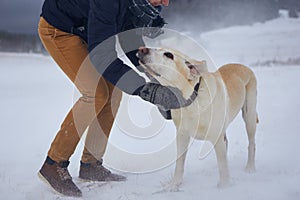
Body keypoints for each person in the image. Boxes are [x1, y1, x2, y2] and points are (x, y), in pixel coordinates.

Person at [38, 0, 192, 197]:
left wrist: (155, 79)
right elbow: (102, 55)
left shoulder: (133, 3)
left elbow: (129, 41)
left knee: (114, 92)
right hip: (60, 30)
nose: (166, 3)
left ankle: (91, 164)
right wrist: (146, 91)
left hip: (85, 29)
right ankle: (53, 164)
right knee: (94, 93)